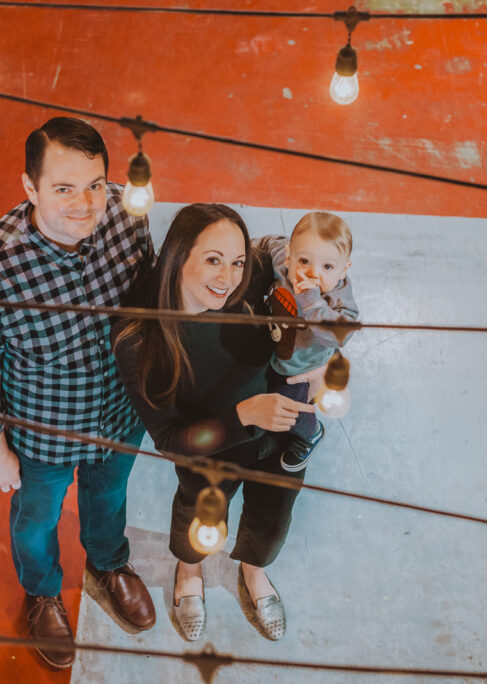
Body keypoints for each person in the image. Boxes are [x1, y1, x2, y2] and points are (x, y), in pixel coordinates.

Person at [0, 117, 156, 669]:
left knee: (108, 499)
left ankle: (108, 566)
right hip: (43, 432)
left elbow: (150, 308)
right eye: (63, 188)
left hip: (117, 414)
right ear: (29, 188)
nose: (84, 204)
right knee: (37, 518)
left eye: (95, 184)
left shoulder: (128, 224)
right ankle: (41, 593)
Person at [112, 203, 319, 642]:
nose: (227, 279)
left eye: (237, 261)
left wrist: (323, 363)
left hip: (282, 436)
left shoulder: (254, 281)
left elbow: (289, 252)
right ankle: (189, 572)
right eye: (212, 260)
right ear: (177, 257)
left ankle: (254, 572)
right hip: (209, 452)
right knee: (198, 515)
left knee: (273, 511)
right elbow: (169, 438)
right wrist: (243, 416)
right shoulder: (140, 338)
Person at [255, 211, 359, 472]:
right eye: (304, 261)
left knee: (293, 411)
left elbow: (341, 334)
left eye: (328, 267)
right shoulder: (284, 261)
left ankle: (310, 435)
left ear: (343, 269)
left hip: (301, 370)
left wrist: (312, 301)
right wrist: (248, 250)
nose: (313, 273)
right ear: (290, 256)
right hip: (271, 348)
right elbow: (270, 242)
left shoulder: (337, 298)